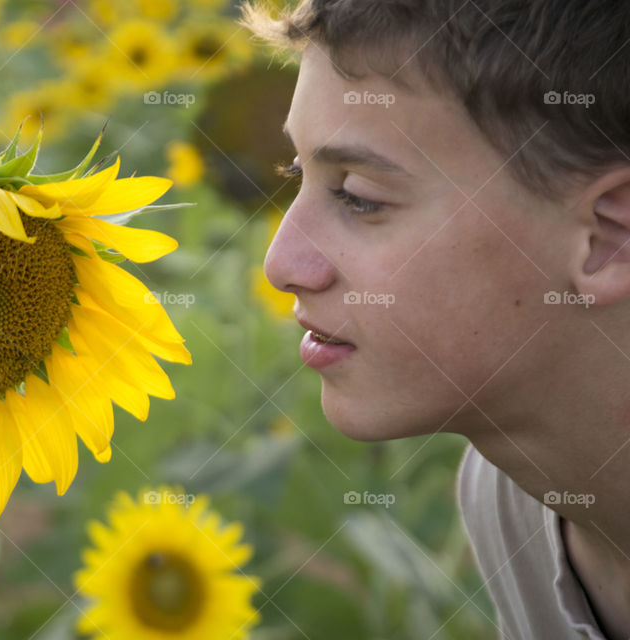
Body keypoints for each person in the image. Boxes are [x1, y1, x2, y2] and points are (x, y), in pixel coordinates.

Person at [243, 1, 630, 638]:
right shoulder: (513, 497)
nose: (282, 264)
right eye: (296, 173)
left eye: (359, 197)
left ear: (607, 235)